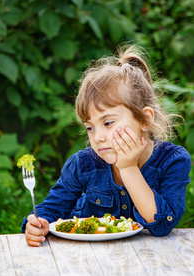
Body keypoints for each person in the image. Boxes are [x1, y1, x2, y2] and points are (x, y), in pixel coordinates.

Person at [22, 44, 191, 246]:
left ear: (145, 120)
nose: (98, 137)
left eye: (108, 123)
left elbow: (162, 225)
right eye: (89, 128)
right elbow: (51, 210)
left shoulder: (173, 161)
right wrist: (35, 224)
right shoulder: (83, 164)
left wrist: (128, 168)